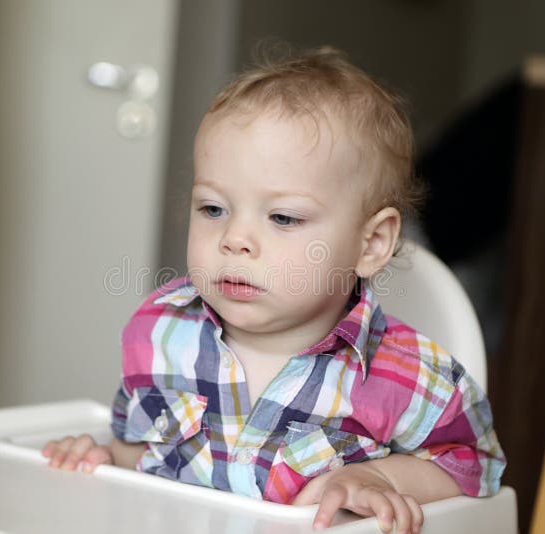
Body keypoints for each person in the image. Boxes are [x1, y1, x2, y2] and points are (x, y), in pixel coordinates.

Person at [42, 46, 506, 534]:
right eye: (213, 209)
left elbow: (474, 465)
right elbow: (144, 450)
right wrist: (104, 459)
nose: (235, 239)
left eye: (283, 217)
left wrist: (375, 477)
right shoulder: (158, 333)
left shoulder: (406, 376)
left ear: (371, 243)